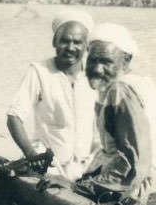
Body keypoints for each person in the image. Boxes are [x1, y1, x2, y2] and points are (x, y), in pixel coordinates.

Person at [77, 23, 156, 205]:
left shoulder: (120, 91)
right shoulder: (139, 83)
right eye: (92, 60)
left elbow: (133, 162)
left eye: (106, 61)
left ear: (126, 61)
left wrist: (85, 188)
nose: (97, 69)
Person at [7, 10, 98, 181]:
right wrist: (31, 155)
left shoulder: (95, 75)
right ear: (54, 41)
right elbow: (14, 117)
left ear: (87, 46)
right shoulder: (39, 72)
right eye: (64, 41)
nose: (70, 48)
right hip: (50, 165)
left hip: (87, 165)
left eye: (77, 42)